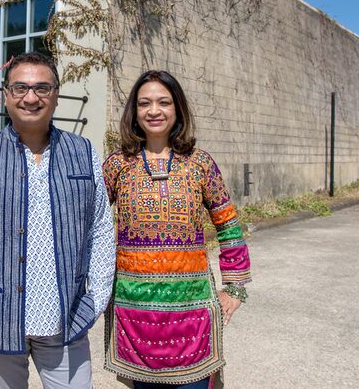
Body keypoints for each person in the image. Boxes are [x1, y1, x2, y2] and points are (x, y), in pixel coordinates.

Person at [0, 51, 116, 389]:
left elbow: (101, 230)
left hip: (67, 320)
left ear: (56, 96)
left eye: (42, 88)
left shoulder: (83, 151)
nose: (31, 97)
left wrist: (96, 300)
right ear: (5, 96)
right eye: (20, 88)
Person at [103, 70, 252, 389]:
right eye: (144, 103)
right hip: (135, 310)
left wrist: (235, 287)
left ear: (178, 109)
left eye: (163, 102)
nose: (153, 111)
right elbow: (91, 224)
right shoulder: (118, 164)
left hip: (192, 311)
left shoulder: (200, 164)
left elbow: (228, 224)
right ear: (134, 111)